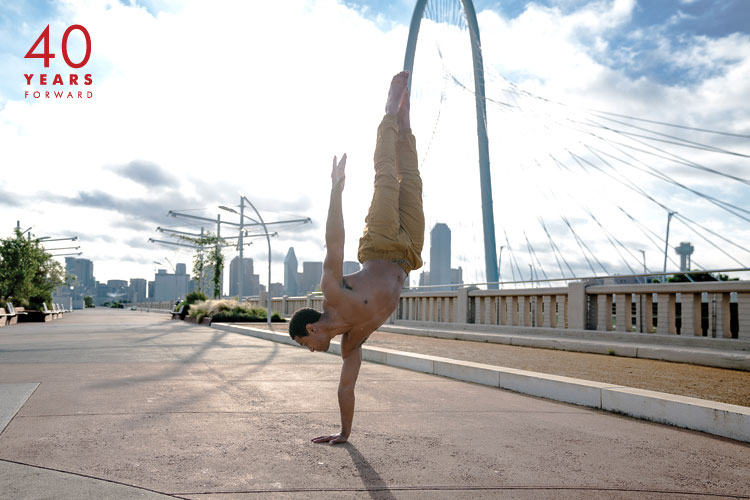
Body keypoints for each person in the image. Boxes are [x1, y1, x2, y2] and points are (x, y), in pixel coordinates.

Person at [289, 71, 424, 444]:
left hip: (380, 244)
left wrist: (336, 190)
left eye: (305, 344)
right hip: (409, 254)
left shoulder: (333, 290)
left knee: (386, 176)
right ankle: (405, 121)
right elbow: (345, 389)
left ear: (312, 329)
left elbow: (335, 241)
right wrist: (344, 433)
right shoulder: (352, 342)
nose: (311, 351)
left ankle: (388, 111)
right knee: (411, 179)